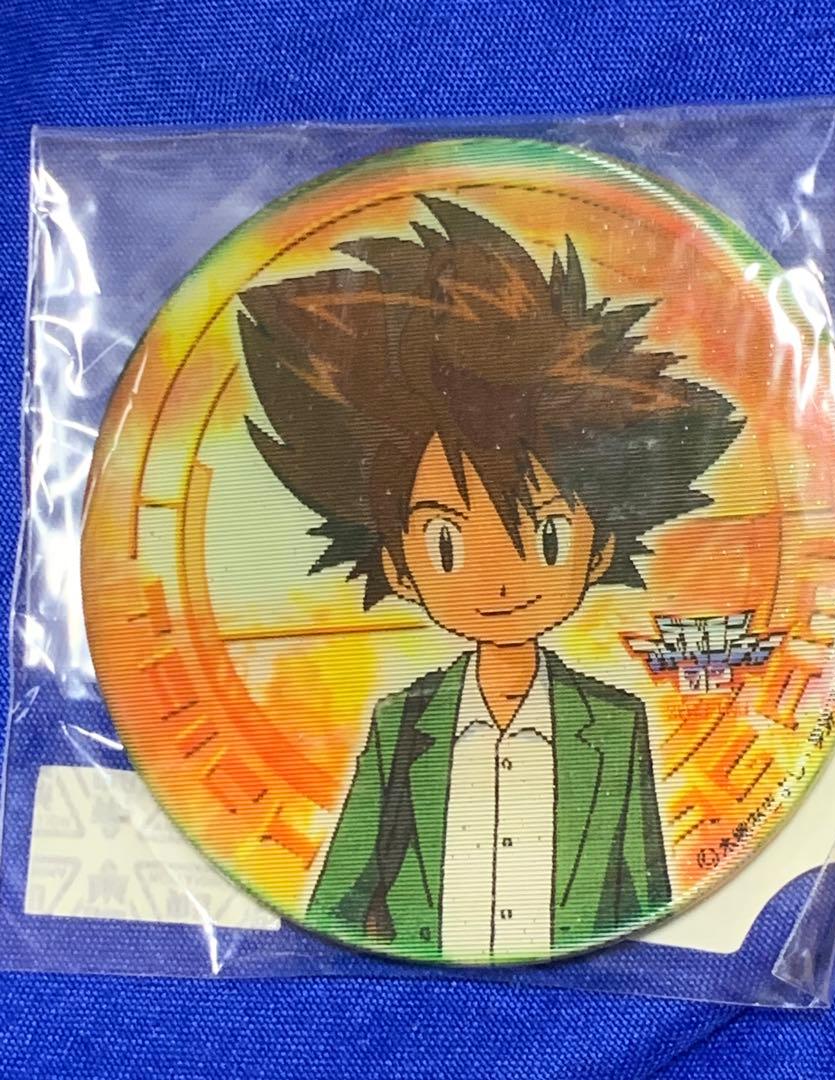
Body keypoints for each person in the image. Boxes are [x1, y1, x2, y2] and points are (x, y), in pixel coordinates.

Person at [238, 195, 741, 962]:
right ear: (400, 566)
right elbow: (341, 894)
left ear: (598, 546)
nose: (500, 579)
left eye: (545, 535)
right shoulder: (401, 725)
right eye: (445, 543)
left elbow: (642, 897)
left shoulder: (614, 727)